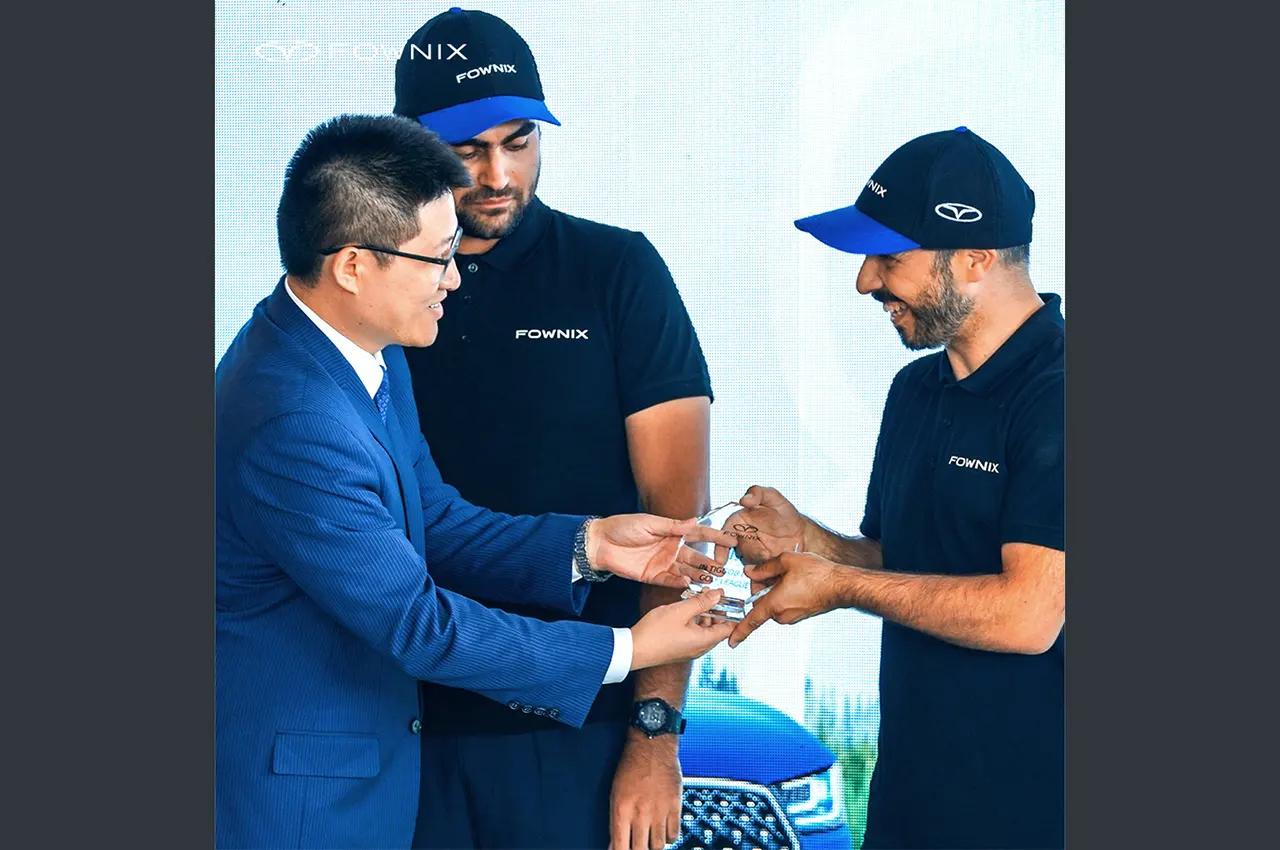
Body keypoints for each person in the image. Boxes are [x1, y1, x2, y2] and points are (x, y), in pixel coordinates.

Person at [214, 113, 737, 850]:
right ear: (354, 266)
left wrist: (590, 547)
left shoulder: (362, 349)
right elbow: (419, 626)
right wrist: (628, 649)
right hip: (303, 809)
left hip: (362, 783)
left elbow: (434, 517)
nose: (455, 279)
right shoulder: (293, 419)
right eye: (437, 259)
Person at [391, 9, 715, 850]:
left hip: (574, 728)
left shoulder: (617, 272)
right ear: (408, 145)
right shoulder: (374, 291)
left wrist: (654, 735)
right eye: (466, 149)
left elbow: (678, 532)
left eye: (520, 141)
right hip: (392, 728)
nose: (497, 174)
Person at [725, 127, 1065, 849]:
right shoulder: (915, 391)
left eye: (890, 258)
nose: (865, 281)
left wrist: (840, 586)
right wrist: (813, 544)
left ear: (975, 258)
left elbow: (1028, 615)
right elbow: (906, 561)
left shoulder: (1060, 394)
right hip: (911, 805)